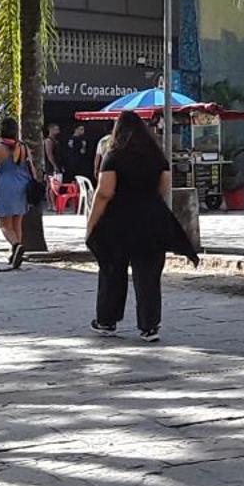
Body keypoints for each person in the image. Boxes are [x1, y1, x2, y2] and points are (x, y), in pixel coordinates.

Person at [85, 110, 197, 341]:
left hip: (118, 221)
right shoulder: (158, 157)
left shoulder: (113, 156)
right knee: (148, 275)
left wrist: (91, 223)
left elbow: (105, 193)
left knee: (112, 271)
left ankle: (107, 321)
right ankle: (149, 325)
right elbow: (164, 188)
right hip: (152, 220)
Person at [0, 117, 37, 269]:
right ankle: (15, 253)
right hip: (23, 185)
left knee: (4, 224)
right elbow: (31, 167)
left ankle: (16, 246)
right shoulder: (23, 146)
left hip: (5, 186)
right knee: (17, 221)